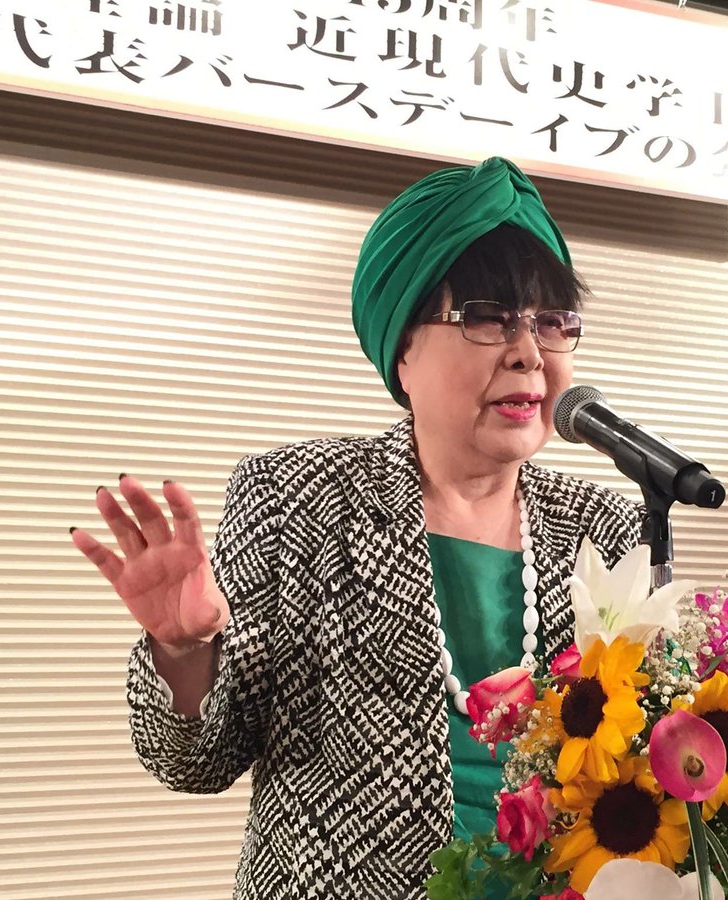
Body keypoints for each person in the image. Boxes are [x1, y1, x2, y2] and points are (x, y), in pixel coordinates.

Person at [70, 157, 645, 899]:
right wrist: (184, 650)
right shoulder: (297, 498)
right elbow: (196, 763)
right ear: (402, 351)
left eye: (552, 322)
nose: (529, 352)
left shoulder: (606, 525)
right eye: (487, 317)